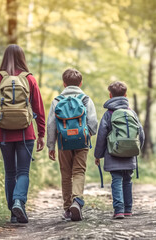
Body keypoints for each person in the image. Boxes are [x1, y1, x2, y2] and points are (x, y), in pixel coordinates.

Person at [0, 44, 45, 224]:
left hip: (3, 133)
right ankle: (19, 201)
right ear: (22, 58)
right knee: (23, 171)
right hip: (26, 132)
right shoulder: (29, 79)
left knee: (10, 173)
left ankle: (13, 213)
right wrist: (41, 133)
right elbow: (39, 109)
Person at [47, 68, 98, 221]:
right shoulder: (86, 99)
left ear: (64, 83)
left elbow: (51, 125)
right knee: (79, 171)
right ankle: (77, 200)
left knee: (66, 175)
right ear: (81, 83)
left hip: (63, 142)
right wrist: (86, 134)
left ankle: (68, 208)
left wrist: (51, 145)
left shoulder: (57, 101)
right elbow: (93, 122)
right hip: (82, 141)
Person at [94, 81, 144, 219]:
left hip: (113, 154)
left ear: (110, 95)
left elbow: (101, 135)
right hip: (130, 154)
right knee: (127, 180)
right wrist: (136, 149)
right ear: (126, 95)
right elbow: (141, 133)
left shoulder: (108, 114)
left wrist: (98, 155)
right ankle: (128, 209)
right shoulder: (131, 112)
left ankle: (119, 210)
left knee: (116, 180)